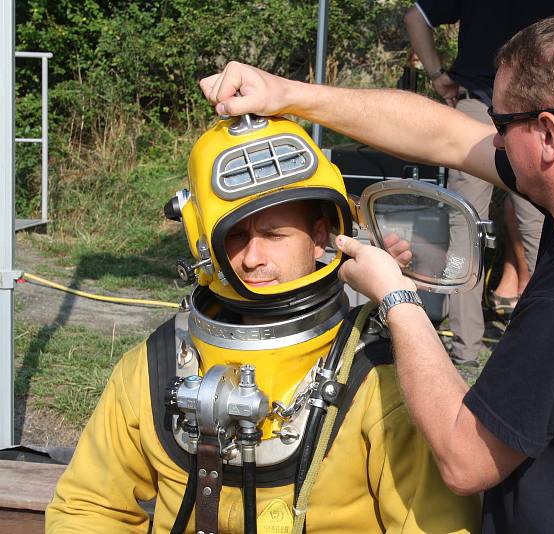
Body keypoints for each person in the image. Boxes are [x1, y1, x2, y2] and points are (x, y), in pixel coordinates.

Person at [200, 13, 554, 533]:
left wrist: (397, 300)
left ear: (548, 133)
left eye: (501, 125)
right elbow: (444, 135)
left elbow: (464, 459)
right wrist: (282, 93)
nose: (492, 141)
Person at [45, 116, 479, 533]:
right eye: (235, 236)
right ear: (204, 242)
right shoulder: (157, 365)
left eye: (273, 235)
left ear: (320, 237)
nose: (252, 259)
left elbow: (437, 526)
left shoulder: (380, 380)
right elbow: (89, 507)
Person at [404, 1, 554, 365]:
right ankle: (545, 340)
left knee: (465, 227)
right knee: (543, 229)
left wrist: (437, 73)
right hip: (537, 117)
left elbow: (415, 17)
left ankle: (465, 348)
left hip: (476, 111)